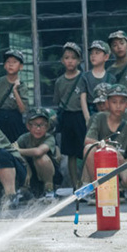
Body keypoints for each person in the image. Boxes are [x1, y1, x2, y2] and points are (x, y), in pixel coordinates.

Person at [82, 84, 127, 192]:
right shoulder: (99, 118)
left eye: (122, 102)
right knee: (88, 148)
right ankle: (99, 189)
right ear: (107, 103)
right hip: (100, 164)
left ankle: (118, 189)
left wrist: (123, 161)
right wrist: (111, 149)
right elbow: (88, 140)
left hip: (119, 166)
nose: (118, 106)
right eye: (114, 102)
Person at [53, 42, 85, 189]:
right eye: (67, 58)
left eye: (73, 58)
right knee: (70, 153)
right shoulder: (60, 81)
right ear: (62, 61)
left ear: (79, 60)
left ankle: (86, 181)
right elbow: (57, 101)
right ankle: (75, 184)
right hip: (67, 117)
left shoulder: (84, 78)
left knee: (85, 150)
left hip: (81, 116)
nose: (70, 61)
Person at [14, 108, 61, 200]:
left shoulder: (49, 138)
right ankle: (21, 189)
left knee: (41, 158)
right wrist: (27, 167)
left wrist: (18, 150)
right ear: (28, 126)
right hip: (31, 175)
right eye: (35, 125)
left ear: (47, 126)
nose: (38, 129)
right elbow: (12, 151)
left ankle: (49, 190)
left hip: (49, 175)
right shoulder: (23, 138)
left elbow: (38, 151)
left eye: (42, 125)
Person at [0, 49, 29, 142]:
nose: (11, 65)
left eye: (14, 62)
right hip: (0, 118)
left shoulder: (22, 85)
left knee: (15, 145)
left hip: (15, 119)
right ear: (4, 65)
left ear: (21, 66)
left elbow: (23, 110)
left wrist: (15, 90)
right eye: (8, 62)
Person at [80, 40, 116, 124]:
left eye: (97, 53)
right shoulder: (85, 77)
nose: (93, 56)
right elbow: (83, 98)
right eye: (91, 53)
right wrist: (87, 118)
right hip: (91, 111)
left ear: (106, 57)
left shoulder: (111, 78)